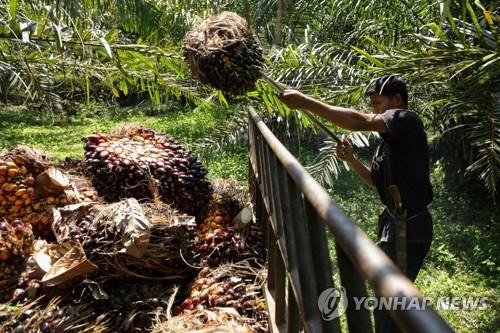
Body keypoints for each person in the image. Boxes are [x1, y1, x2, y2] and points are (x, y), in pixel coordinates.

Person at [279, 75, 433, 333]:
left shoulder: (405, 119)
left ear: (397, 100)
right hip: (394, 226)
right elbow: (375, 181)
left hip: (409, 229)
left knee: (391, 307)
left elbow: (357, 121)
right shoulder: (388, 144)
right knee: (386, 302)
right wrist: (351, 159)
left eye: (378, 103)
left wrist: (305, 102)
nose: (374, 110)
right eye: (372, 105)